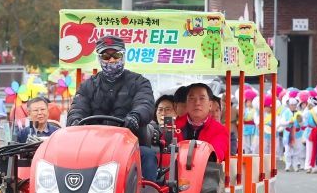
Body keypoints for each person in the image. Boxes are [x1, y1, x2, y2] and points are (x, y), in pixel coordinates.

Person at [67, 35, 156, 180]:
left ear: (123, 55)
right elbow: (77, 109)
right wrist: (75, 121)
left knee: (147, 155)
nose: (112, 60)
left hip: (129, 144)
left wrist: (135, 117)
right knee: (70, 156)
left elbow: (145, 104)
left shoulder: (140, 82)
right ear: (99, 59)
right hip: (93, 146)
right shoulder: (87, 86)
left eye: (116, 55)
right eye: (106, 56)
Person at [175, 83, 229, 162]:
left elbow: (216, 154)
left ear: (210, 105)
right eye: (192, 98)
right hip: (175, 172)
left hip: (206, 172)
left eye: (202, 98)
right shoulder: (173, 127)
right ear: (186, 103)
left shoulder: (220, 130)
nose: (197, 103)